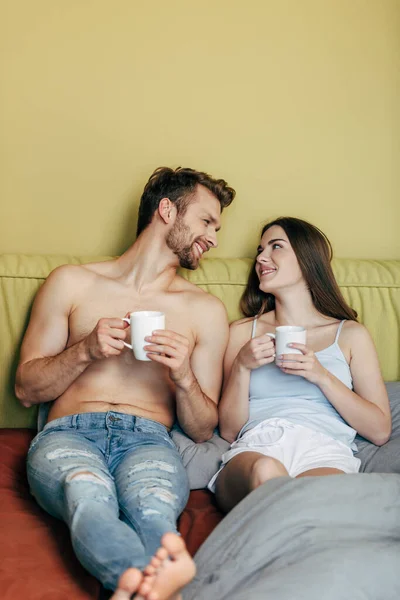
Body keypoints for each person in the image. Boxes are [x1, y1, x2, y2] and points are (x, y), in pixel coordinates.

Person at [15, 166, 235, 599]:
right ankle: (152, 586)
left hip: (149, 440)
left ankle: (135, 586)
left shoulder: (204, 310)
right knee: (86, 489)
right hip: (68, 435)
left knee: (152, 507)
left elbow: (203, 428)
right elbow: (26, 390)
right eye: (207, 222)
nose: (214, 238)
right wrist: (85, 350)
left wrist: (184, 376)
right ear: (167, 211)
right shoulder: (72, 282)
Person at [210, 216, 392, 514]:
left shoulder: (349, 335)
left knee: (313, 501)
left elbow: (380, 430)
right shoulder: (242, 332)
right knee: (266, 471)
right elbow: (229, 431)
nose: (261, 258)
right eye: (259, 250)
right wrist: (242, 366)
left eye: (275, 246)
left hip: (325, 450)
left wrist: (320, 375)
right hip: (259, 445)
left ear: (308, 260)